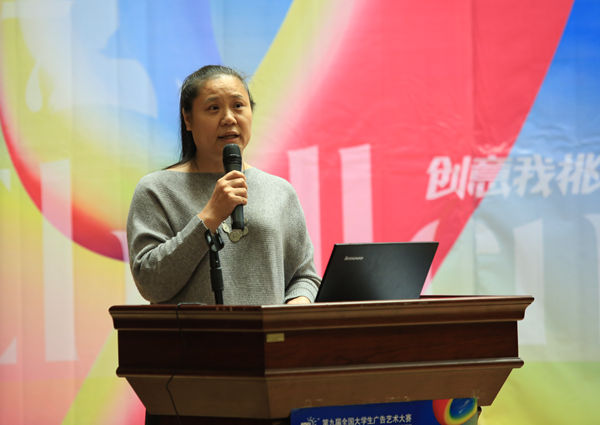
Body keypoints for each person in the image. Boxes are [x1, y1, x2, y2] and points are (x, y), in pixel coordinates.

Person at [126, 65, 320, 305]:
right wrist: (209, 217)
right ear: (188, 119)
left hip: (270, 330)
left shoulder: (279, 191)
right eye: (213, 108)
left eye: (238, 106)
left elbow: (304, 276)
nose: (229, 118)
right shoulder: (156, 190)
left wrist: (295, 307)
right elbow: (151, 284)